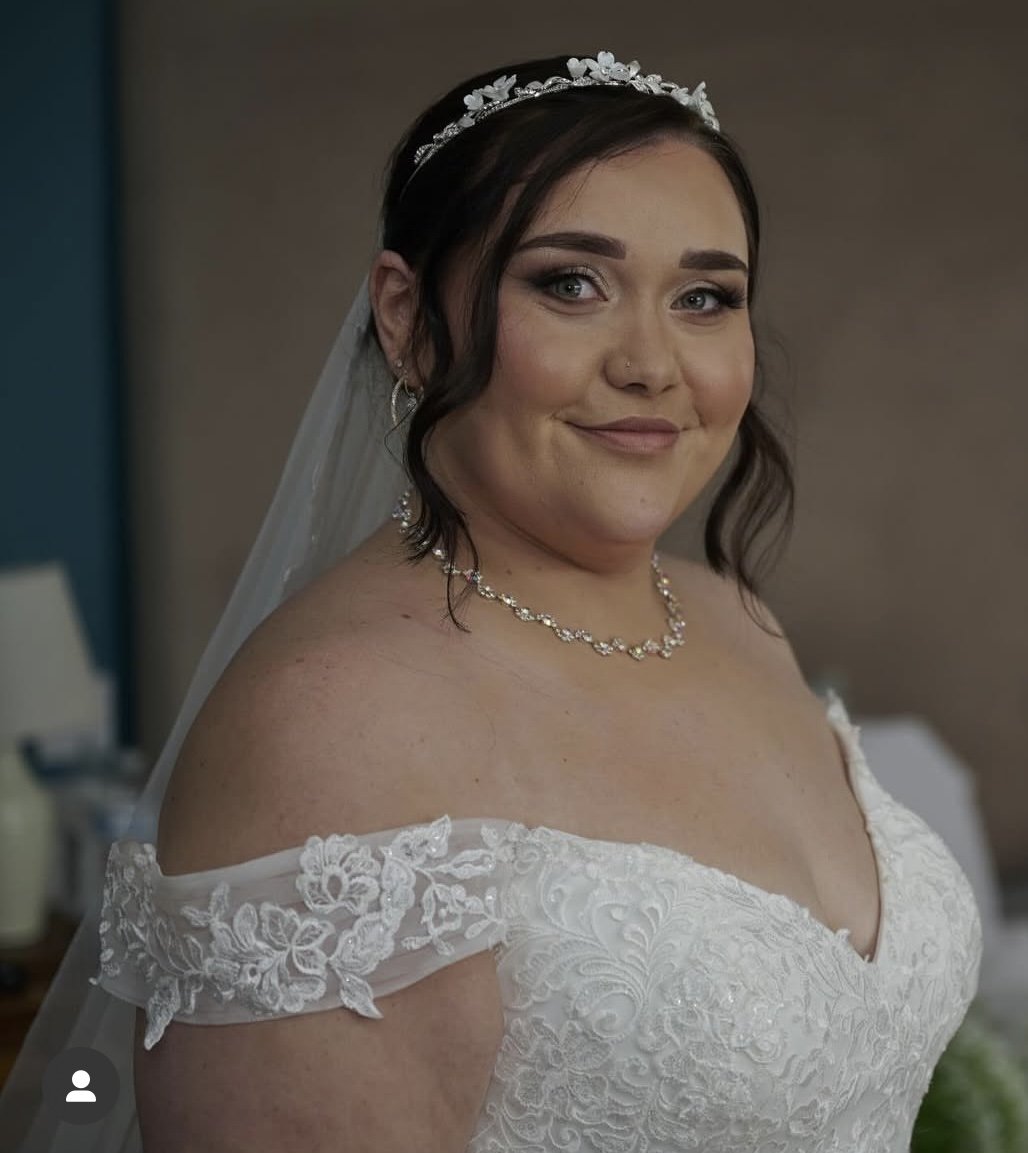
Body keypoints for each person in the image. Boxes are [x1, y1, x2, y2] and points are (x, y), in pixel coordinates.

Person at [0, 49, 982, 1153]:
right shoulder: (329, 724)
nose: (653, 363)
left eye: (704, 297)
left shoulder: (731, 618)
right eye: (569, 283)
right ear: (408, 319)